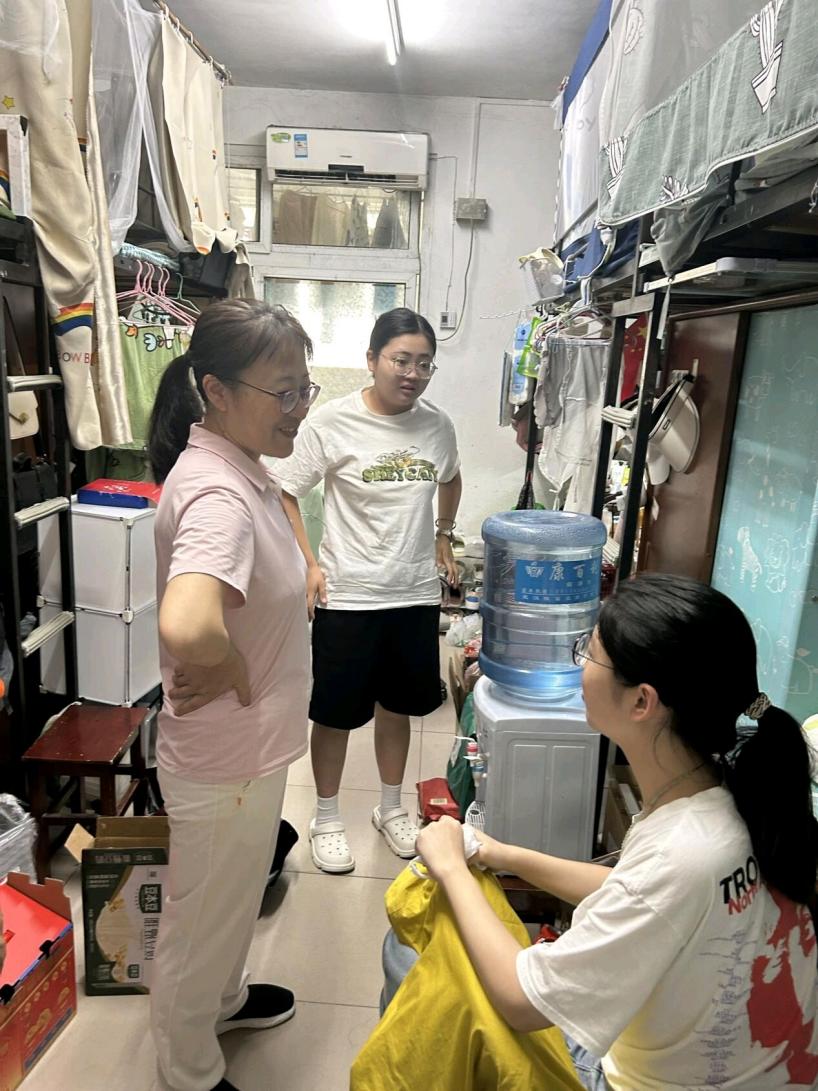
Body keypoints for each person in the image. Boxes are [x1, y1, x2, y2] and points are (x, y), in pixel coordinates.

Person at [409, 574, 818, 1090]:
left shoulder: (683, 850)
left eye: (591, 653)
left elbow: (521, 1000)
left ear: (642, 702)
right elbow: (643, 896)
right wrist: (503, 853)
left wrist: (451, 868)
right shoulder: (740, 796)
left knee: (412, 961)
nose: (579, 667)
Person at [146, 299, 319, 1091]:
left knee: (233, 901)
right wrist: (232, 665)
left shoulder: (243, 469)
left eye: (304, 388)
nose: (299, 406)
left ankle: (224, 1001)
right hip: (224, 761)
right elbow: (188, 623)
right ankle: (187, 1068)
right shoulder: (219, 493)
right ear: (216, 390)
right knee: (201, 923)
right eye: (283, 391)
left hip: (250, 751)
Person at [275, 307, 462, 873]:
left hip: (414, 593)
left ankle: (390, 807)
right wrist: (308, 563)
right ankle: (327, 816)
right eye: (401, 360)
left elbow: (451, 476)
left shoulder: (437, 425)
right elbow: (285, 490)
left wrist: (444, 535)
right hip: (349, 595)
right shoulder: (332, 422)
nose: (413, 374)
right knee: (335, 714)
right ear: (373, 360)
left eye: (424, 364)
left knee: (398, 709)